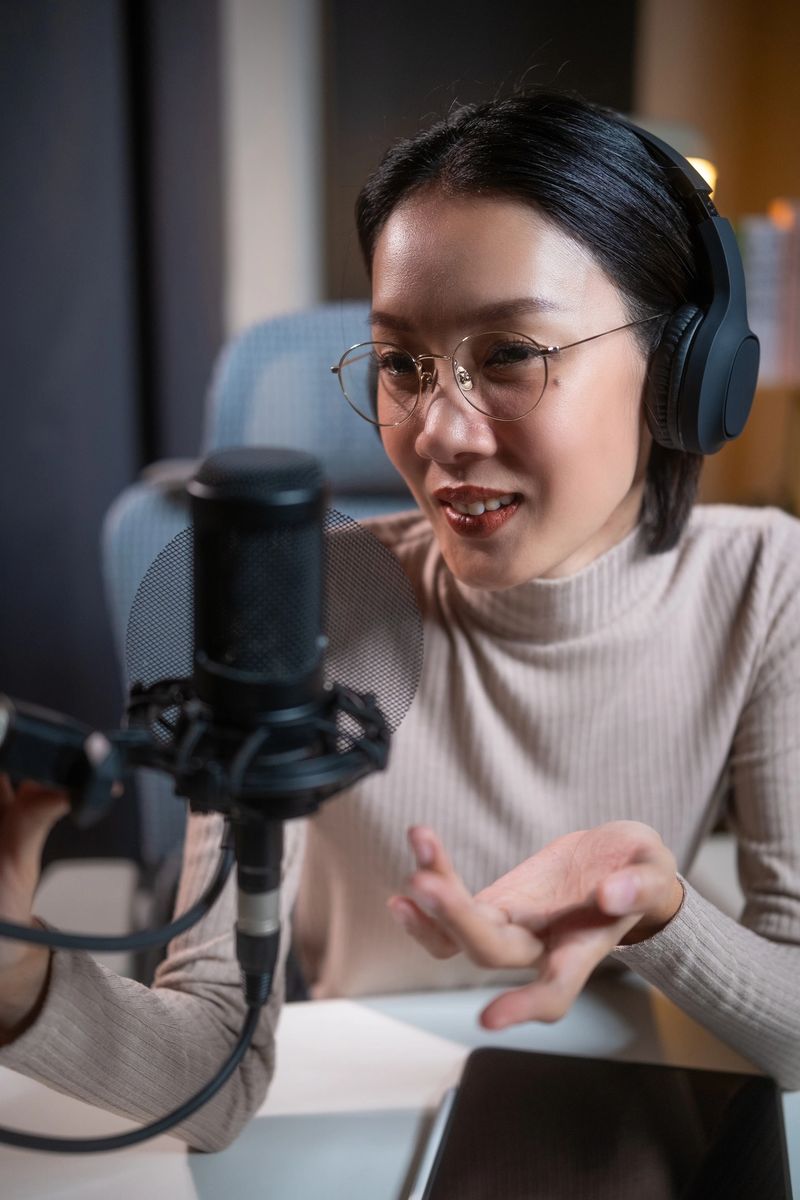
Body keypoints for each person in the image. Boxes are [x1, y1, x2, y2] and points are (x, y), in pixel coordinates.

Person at [1, 90, 799, 1154]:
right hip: (351, 1118)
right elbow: (214, 1077)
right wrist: (17, 976)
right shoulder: (294, 604)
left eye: (510, 353)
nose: (438, 433)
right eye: (399, 365)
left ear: (680, 372)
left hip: (625, 1119)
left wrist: (659, 912)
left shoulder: (764, 582)